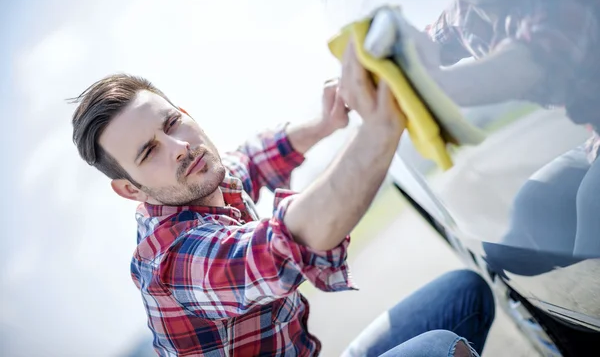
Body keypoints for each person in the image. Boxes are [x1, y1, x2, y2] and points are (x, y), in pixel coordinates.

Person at [69, 42, 495, 356]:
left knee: (465, 293)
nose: (177, 146)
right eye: (148, 152)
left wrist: (325, 122)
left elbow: (254, 156)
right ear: (131, 189)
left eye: (173, 123)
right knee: (441, 349)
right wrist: (381, 126)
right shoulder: (175, 259)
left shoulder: (203, 179)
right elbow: (283, 243)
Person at [399, 0, 600, 260]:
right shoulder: (464, 14)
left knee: (593, 210)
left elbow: (513, 68)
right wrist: (379, 57)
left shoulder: (563, 0)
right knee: (532, 210)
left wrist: (419, 85)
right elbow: (422, 48)